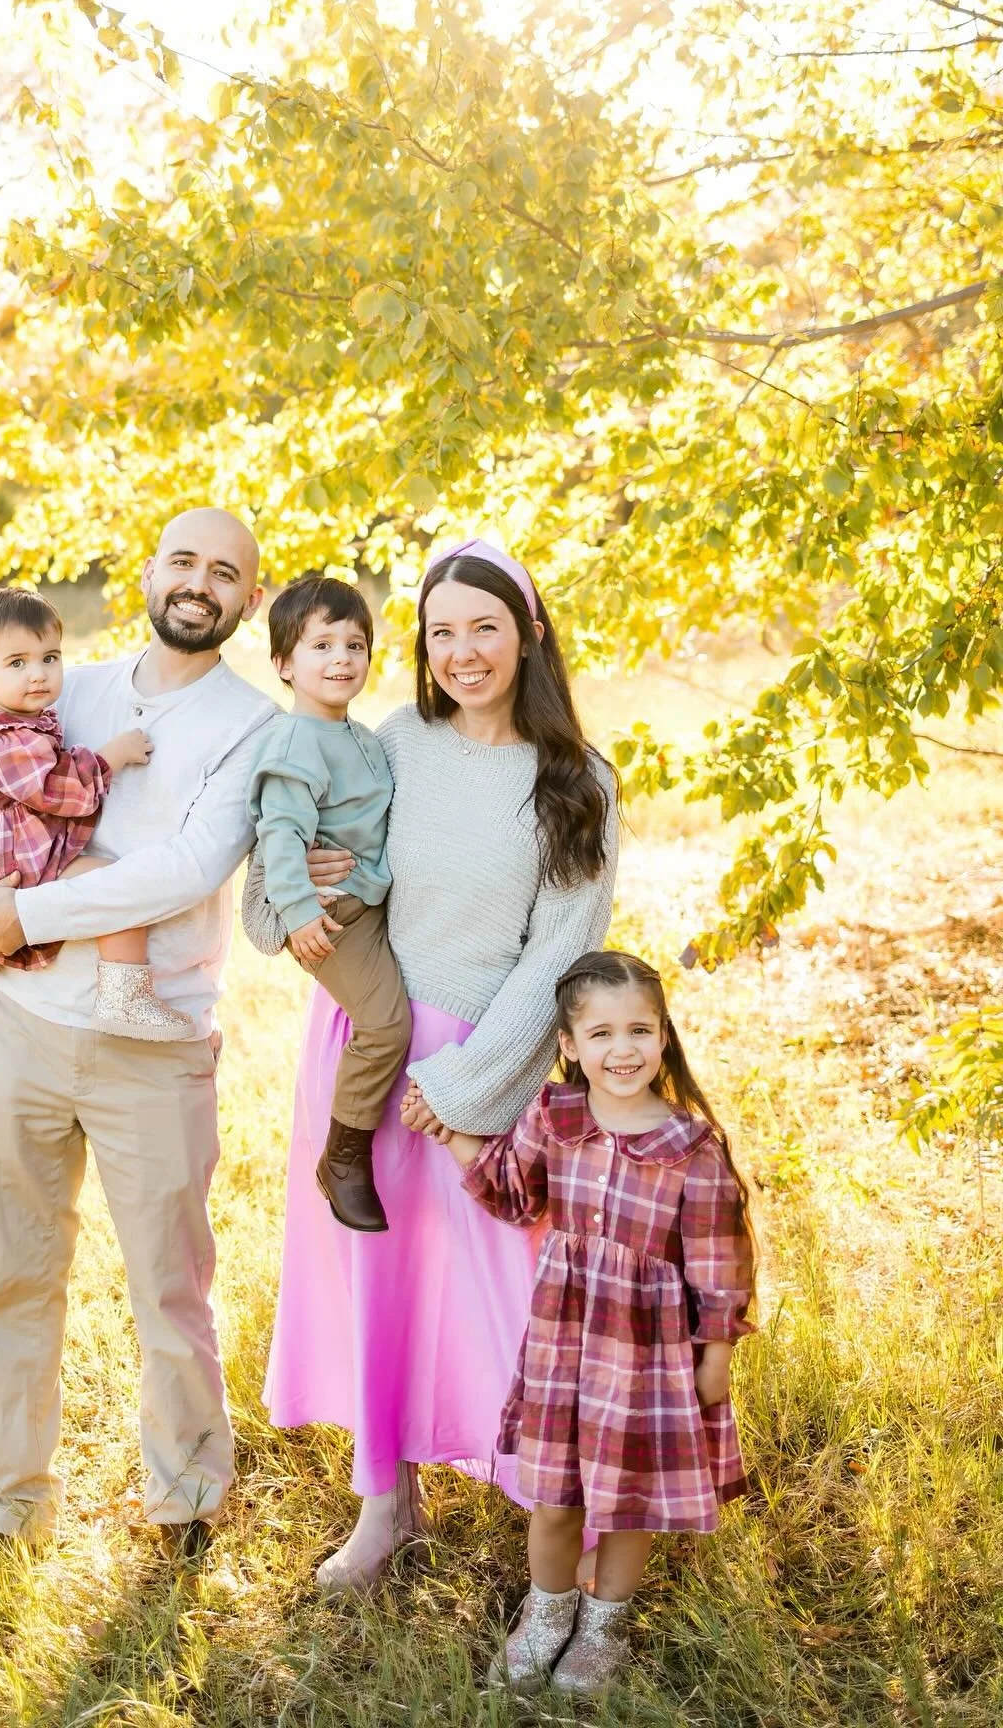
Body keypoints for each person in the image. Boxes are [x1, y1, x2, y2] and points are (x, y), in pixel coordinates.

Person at [245, 537, 619, 1592]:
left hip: (478, 1068)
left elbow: (562, 955)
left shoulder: (574, 781)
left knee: (513, 1289)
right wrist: (294, 890)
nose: (461, 651)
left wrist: (460, 1093)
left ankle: (567, 1514)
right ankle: (384, 1500)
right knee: (377, 1277)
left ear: (528, 632)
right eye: (440, 631)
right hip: (364, 1050)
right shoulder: (395, 741)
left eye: (484, 627)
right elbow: (294, 830)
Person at [0, 508, 276, 1558]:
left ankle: (184, 1502)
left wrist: (27, 913)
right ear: (149, 570)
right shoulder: (64, 680)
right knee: (16, 1277)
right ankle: (12, 1503)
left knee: (170, 1291)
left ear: (249, 601)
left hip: (155, 1041)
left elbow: (186, 869)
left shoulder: (252, 726)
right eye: (183, 560)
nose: (199, 582)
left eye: (224, 572)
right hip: (24, 1028)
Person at [417, 950, 756, 1696]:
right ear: (568, 1046)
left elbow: (719, 1262)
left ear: (663, 1036)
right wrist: (448, 1131)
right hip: (566, 1345)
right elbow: (512, 1196)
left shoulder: (691, 1149)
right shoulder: (555, 1115)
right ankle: (546, 1616)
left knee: (630, 1498)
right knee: (555, 1495)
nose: (623, 1049)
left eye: (639, 1029)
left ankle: (604, 1624)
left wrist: (716, 1354)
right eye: (600, 1034)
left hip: (649, 1356)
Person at [0, 584, 193, 1040]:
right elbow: (59, 791)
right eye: (17, 663)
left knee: (108, 880)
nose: (38, 674)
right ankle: (125, 996)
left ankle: (123, 993)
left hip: (8, 856)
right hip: (17, 863)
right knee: (112, 881)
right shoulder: (9, 738)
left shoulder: (6, 722)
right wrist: (112, 756)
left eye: (50, 657)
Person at [245, 576, 411, 1233]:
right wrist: (298, 913)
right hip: (333, 916)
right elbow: (280, 832)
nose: (342, 658)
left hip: (370, 903)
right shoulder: (295, 743)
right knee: (386, 1026)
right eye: (322, 645)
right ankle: (343, 1155)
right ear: (285, 664)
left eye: (355, 644)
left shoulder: (360, 735)